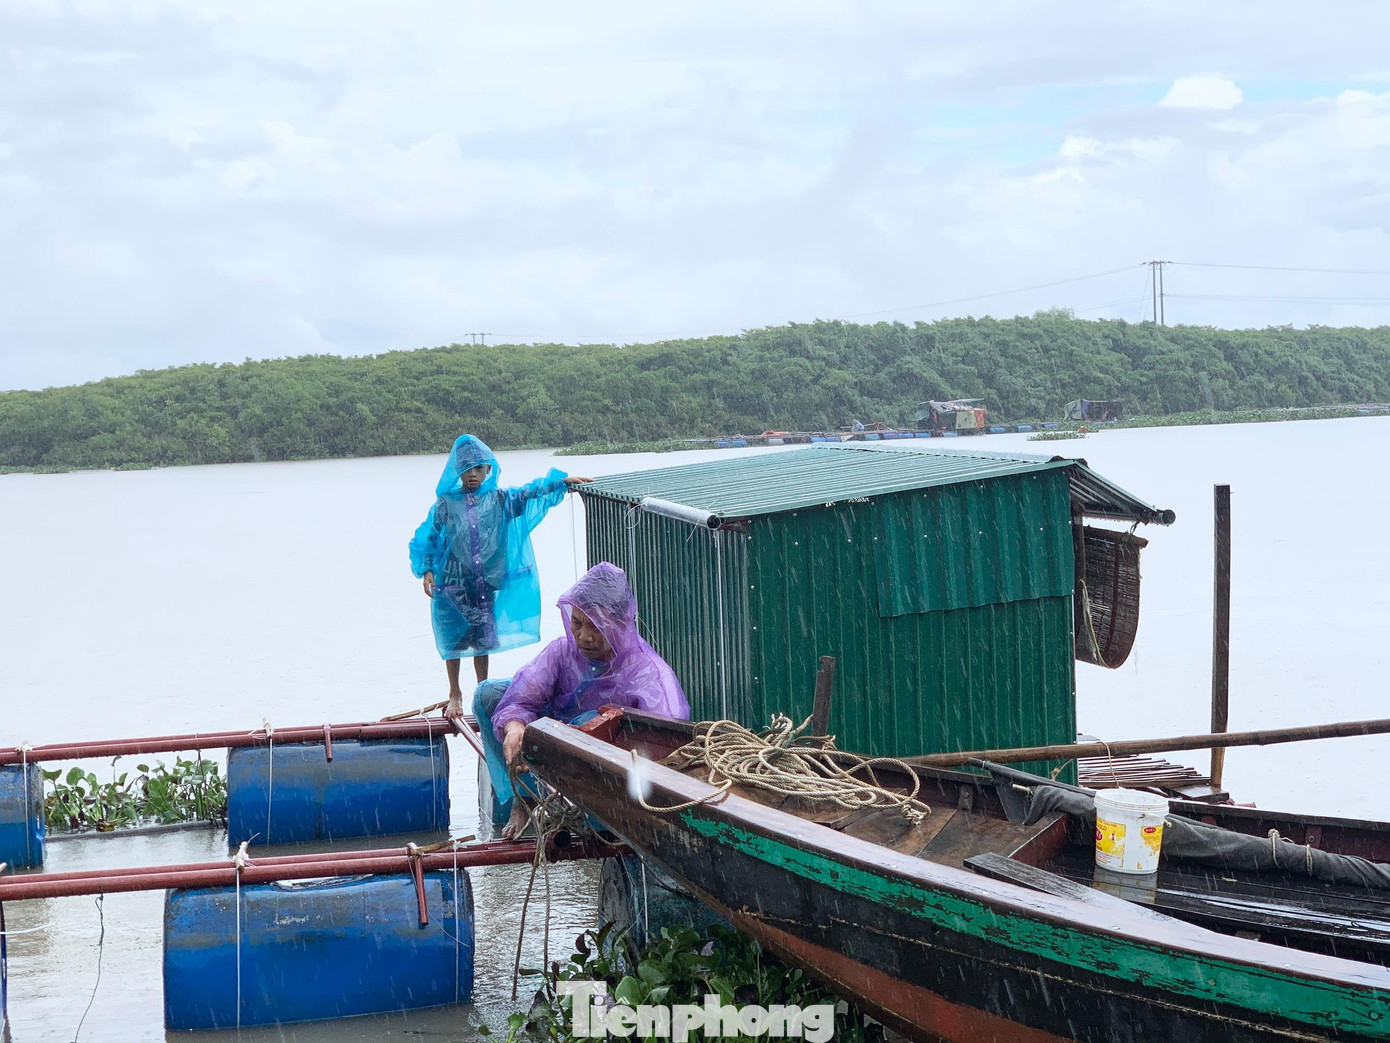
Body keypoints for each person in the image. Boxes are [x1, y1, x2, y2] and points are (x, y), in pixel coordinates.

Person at [474, 562, 690, 839]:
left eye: (596, 627)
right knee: (489, 695)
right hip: (554, 739)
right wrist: (515, 726)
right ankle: (525, 797)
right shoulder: (563, 652)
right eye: (577, 623)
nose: (584, 637)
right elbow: (522, 698)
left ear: (621, 624)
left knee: (588, 723)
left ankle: (586, 815)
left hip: (605, 770)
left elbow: (668, 748)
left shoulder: (651, 676)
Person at [408, 434, 590, 714]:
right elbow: (428, 537)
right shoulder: (445, 504)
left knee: (481, 638)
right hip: (452, 582)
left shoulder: (499, 499)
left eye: (479, 468)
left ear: (488, 470)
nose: (473, 475)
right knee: (453, 638)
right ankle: (454, 692)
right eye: (467, 469)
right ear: (457, 470)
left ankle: (483, 689)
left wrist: (561, 483)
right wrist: (428, 570)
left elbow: (528, 493)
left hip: (483, 584)